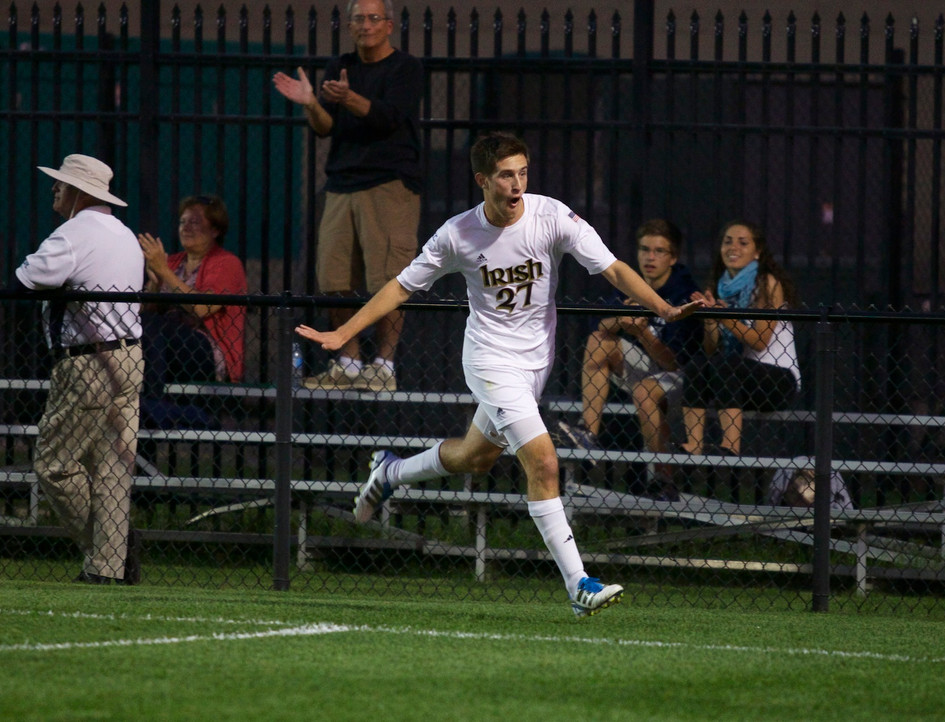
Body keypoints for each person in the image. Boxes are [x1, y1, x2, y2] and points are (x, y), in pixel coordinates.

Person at [296, 133, 703, 617]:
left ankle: (390, 471)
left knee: (475, 457)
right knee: (544, 462)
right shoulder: (457, 234)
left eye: (523, 173)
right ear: (482, 180)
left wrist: (663, 308)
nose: (517, 185)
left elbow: (613, 268)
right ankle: (579, 584)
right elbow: (400, 287)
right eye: (507, 175)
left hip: (535, 364)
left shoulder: (552, 216)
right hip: (490, 362)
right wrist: (344, 331)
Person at [273, 0, 423, 392]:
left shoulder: (405, 68)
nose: (365, 25)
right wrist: (310, 104)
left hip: (389, 183)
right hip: (341, 184)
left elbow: (389, 116)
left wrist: (347, 97)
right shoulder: (340, 65)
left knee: (390, 279)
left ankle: (384, 366)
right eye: (358, 18)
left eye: (374, 18)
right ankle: (349, 362)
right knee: (334, 278)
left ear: (389, 25)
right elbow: (324, 127)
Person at [12, 154, 144, 584]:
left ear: (79, 193)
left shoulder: (73, 233)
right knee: (111, 468)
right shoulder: (124, 235)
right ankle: (107, 566)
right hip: (129, 356)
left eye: (62, 183)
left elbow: (27, 279)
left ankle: (112, 549)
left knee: (54, 463)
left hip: (89, 362)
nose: (55, 189)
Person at [555, 219, 702, 496]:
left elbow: (675, 363)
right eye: (645, 249)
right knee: (599, 341)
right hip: (640, 369)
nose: (650, 257)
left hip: (680, 379)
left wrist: (643, 331)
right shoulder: (631, 283)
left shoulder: (683, 291)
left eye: (659, 251)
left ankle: (664, 478)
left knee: (648, 391)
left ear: (673, 258)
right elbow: (600, 326)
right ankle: (588, 432)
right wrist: (621, 321)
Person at [679, 220, 800, 456]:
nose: (733, 247)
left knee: (726, 365)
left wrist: (724, 317)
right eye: (727, 242)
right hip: (735, 380)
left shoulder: (767, 283)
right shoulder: (719, 286)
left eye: (743, 243)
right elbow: (712, 350)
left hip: (778, 379)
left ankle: (730, 447)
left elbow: (759, 341)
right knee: (697, 365)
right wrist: (711, 320)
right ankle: (693, 444)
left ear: (757, 252)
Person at [138, 195, 247, 402]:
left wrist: (164, 271)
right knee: (144, 325)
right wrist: (154, 280)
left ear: (215, 230)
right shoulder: (173, 262)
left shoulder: (226, 263)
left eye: (195, 222)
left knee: (153, 327)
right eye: (182, 222)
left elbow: (202, 308)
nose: (186, 227)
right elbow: (147, 312)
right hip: (166, 343)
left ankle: (152, 404)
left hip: (205, 350)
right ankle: (150, 403)